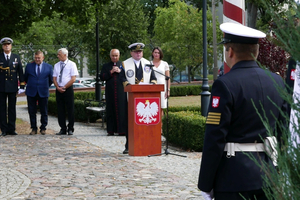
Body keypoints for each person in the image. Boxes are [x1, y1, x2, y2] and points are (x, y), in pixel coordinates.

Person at [198, 22, 288, 200]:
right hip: (270, 177)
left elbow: (214, 138)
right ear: (256, 51)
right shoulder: (277, 82)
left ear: (230, 51)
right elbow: (284, 132)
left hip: (234, 179)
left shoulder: (225, 84)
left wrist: (206, 184)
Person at [120, 42, 157, 154]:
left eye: (140, 52)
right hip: (130, 98)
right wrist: (129, 86)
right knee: (130, 121)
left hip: (145, 98)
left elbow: (153, 78)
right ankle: (128, 145)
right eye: (136, 52)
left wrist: (153, 85)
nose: (138, 54)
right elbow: (122, 78)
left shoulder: (148, 63)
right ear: (131, 52)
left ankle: (145, 143)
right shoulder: (125, 64)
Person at [0, 37, 25, 136]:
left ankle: (11, 128)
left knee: (12, 108)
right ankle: (4, 129)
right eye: (5, 45)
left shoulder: (16, 57)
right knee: (2, 109)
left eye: (8, 44)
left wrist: (22, 86)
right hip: (1, 87)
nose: (7, 46)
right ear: (2, 46)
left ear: (11, 46)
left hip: (12, 86)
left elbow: (20, 72)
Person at [24, 50, 53, 135]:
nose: (37, 59)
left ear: (43, 58)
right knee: (32, 111)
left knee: (44, 111)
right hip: (31, 91)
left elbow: (51, 79)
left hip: (43, 91)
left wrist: (44, 85)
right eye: (36, 58)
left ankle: (43, 127)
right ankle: (33, 128)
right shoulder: (29, 66)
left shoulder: (49, 67)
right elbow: (25, 78)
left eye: (39, 58)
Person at [100, 49, 128, 137]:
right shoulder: (106, 65)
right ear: (110, 56)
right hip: (110, 92)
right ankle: (111, 130)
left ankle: (122, 130)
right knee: (110, 110)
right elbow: (102, 77)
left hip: (121, 91)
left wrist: (120, 72)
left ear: (119, 56)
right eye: (113, 56)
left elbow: (128, 76)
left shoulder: (123, 65)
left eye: (116, 56)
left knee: (122, 110)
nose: (114, 57)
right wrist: (111, 72)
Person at [53, 48, 79, 135]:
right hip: (59, 89)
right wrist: (57, 87)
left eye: (59, 54)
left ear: (65, 55)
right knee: (60, 109)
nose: (58, 56)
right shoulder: (56, 65)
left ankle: (70, 128)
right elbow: (54, 78)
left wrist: (64, 87)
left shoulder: (72, 64)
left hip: (67, 89)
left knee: (70, 109)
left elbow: (73, 78)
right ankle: (62, 128)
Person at [151, 47, 170, 120]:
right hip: (152, 88)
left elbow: (168, 78)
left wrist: (168, 90)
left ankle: (160, 127)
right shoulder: (148, 63)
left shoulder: (164, 64)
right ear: (152, 53)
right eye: (155, 52)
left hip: (162, 89)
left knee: (160, 108)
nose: (156, 54)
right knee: (152, 107)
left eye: (158, 53)